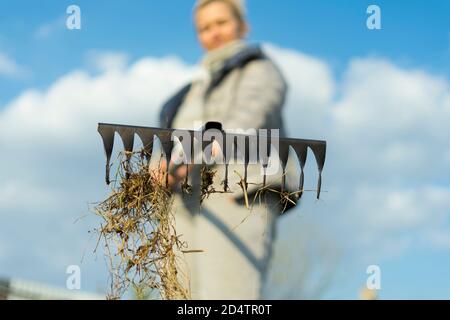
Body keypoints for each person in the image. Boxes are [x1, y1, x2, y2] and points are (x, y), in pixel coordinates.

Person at [156, 0, 294, 299]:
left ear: (242, 26)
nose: (213, 33)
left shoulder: (259, 70)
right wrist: (161, 165)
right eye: (204, 28)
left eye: (221, 23)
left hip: (239, 196)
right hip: (187, 201)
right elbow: (175, 138)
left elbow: (243, 123)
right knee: (181, 295)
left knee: (227, 295)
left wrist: (188, 155)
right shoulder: (194, 87)